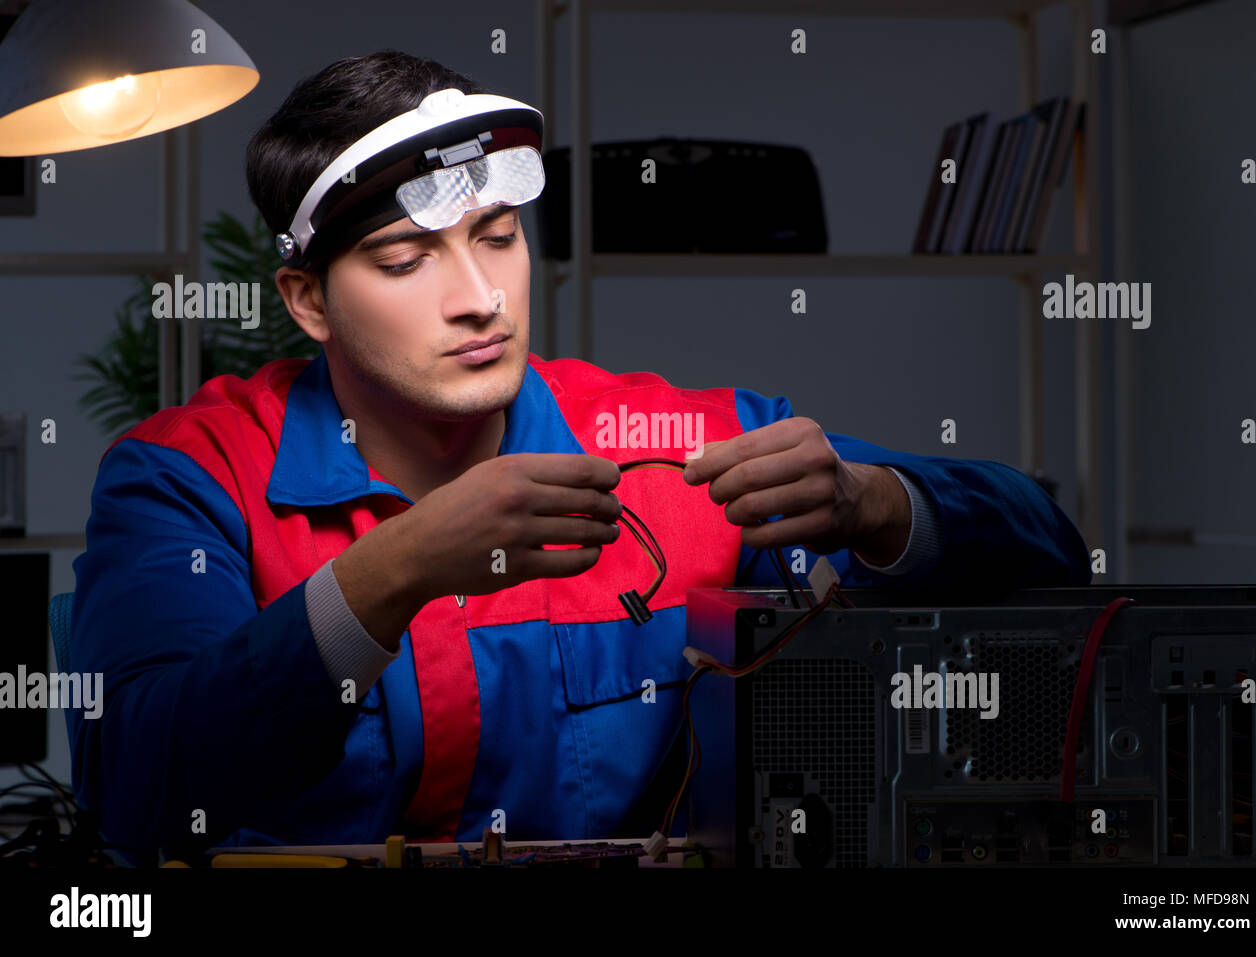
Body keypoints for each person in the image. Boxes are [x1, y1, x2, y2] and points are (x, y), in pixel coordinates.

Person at [68, 50, 1091, 863]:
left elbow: (1046, 544)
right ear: (307, 303)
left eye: (500, 235)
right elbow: (138, 788)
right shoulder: (190, 475)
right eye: (405, 259)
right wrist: (393, 572)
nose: (479, 297)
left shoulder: (680, 445)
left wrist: (875, 502)